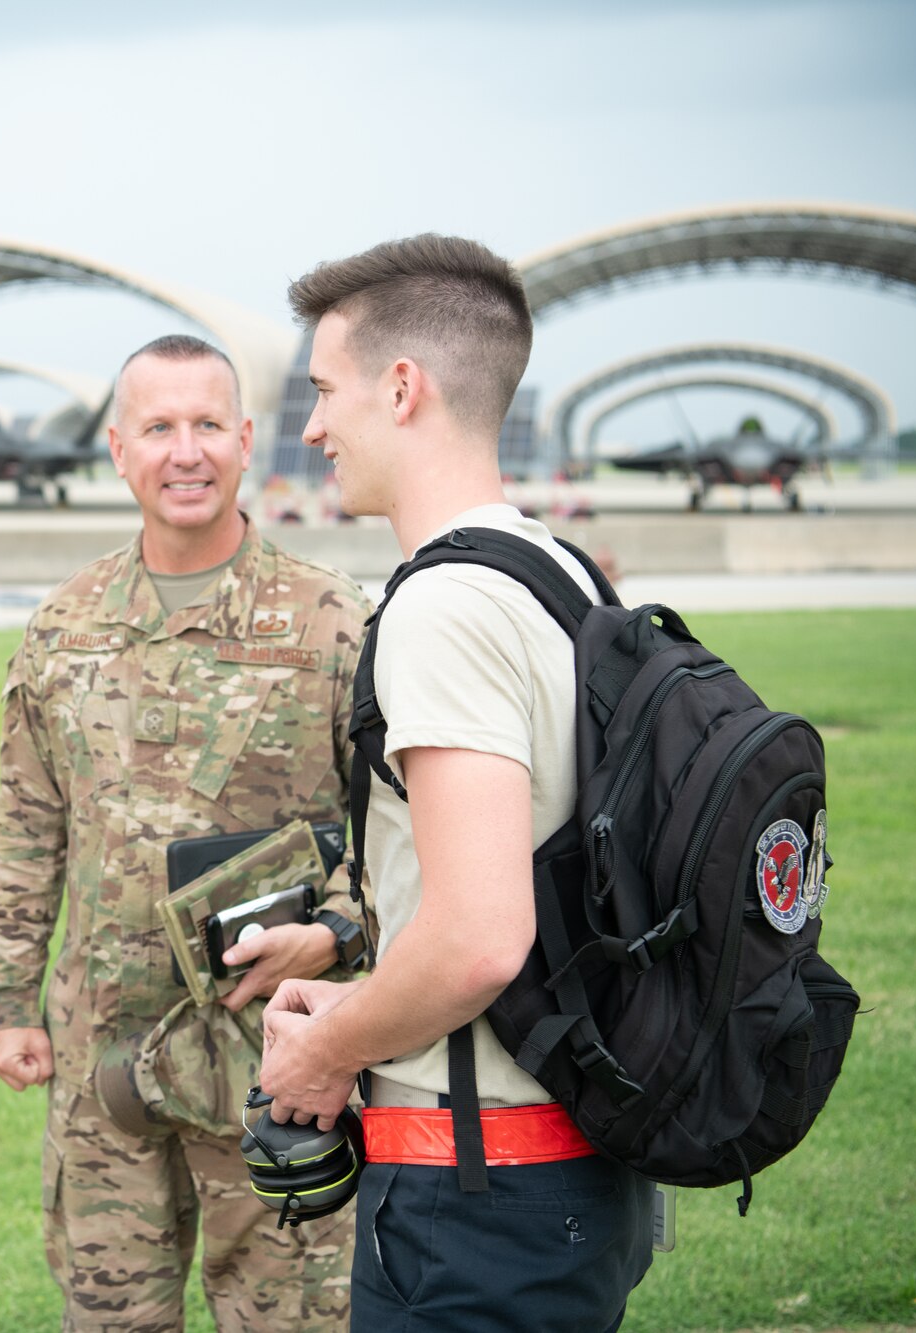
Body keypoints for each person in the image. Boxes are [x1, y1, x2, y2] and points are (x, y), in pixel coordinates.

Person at [258, 235, 653, 1330]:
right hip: (568, 1154)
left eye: (324, 391)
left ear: (400, 387)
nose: (311, 428)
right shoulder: (561, 573)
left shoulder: (443, 607)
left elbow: (481, 933)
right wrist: (366, 995)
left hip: (474, 1188)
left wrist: (325, 1051)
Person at [0, 334, 371, 1332]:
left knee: (288, 1320)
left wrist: (334, 933)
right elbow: (28, 828)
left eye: (206, 425)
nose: (183, 451)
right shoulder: (64, 628)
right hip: (101, 1061)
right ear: (118, 448)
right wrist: (9, 1002)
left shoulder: (330, 624)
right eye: (158, 427)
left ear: (246, 442)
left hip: (275, 1061)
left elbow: (396, 840)